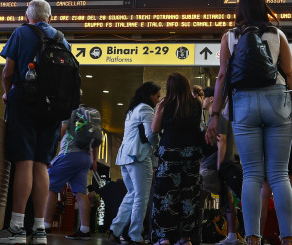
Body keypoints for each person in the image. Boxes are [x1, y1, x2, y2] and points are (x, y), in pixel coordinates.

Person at [206, 0, 292, 245]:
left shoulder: (229, 37)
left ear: (240, 12)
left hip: (243, 103)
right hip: (276, 101)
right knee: (279, 175)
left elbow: (222, 76)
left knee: (251, 175)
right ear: (263, 10)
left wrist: (215, 115)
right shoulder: (277, 35)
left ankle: (253, 238)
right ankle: (288, 239)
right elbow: (290, 73)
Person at [0, 0, 71, 245]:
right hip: (52, 109)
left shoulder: (21, 33)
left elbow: (8, 71)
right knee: (41, 165)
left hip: (24, 103)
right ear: (50, 17)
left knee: (24, 162)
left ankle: (16, 228)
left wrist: (7, 93)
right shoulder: (62, 39)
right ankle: (39, 230)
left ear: (28, 17)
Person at [150, 73, 205, 245]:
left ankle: (165, 237)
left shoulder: (165, 104)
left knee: (166, 196)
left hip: (169, 155)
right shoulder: (196, 104)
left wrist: (159, 108)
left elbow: (154, 129)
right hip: (191, 155)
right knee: (189, 196)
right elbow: (199, 126)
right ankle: (186, 238)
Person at [109, 82, 161, 245]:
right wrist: (159, 146)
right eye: (157, 96)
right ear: (149, 95)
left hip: (126, 157)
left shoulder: (133, 110)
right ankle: (135, 235)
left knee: (131, 194)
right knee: (141, 196)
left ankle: (115, 229)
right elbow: (151, 134)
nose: (158, 100)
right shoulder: (146, 109)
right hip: (139, 156)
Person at [44, 106, 101, 240]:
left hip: (69, 154)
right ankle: (85, 230)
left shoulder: (69, 112)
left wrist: (50, 153)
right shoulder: (89, 116)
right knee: (81, 193)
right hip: (85, 158)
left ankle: (45, 226)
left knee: (50, 186)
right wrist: (94, 160)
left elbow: (62, 131)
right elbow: (95, 140)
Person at [199, 87, 244, 245]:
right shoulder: (215, 118)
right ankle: (232, 235)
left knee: (198, 198)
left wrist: (219, 167)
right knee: (227, 200)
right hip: (216, 165)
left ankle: (193, 234)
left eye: (204, 97)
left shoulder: (219, 117)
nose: (202, 100)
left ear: (211, 99)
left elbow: (222, 141)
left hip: (214, 167)